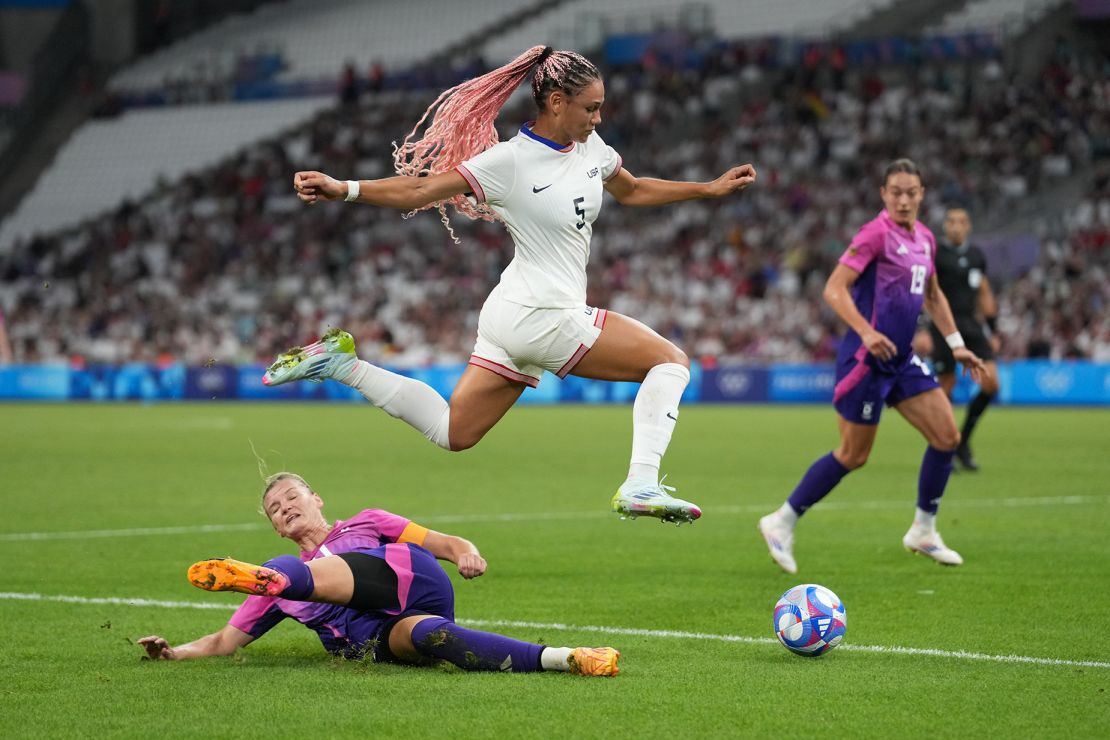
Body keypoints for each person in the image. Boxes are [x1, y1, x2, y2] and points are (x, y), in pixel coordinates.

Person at [263, 45, 757, 524]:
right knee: (671, 362)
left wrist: (706, 189)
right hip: (544, 314)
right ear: (557, 103)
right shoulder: (510, 162)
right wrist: (343, 188)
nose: (598, 119)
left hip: (512, 313)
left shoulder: (592, 148)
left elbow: (631, 188)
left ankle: (342, 364)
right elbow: (420, 189)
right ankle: (641, 482)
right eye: (592, 108)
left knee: (453, 431)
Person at [137, 472, 619, 676]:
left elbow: (443, 544)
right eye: (274, 510)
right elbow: (224, 642)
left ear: (317, 499)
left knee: (308, 574)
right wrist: (173, 653)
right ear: (275, 528)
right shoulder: (276, 586)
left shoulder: (368, 522)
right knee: (433, 638)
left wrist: (467, 552)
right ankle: (568, 658)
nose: (284, 509)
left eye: (292, 498)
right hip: (380, 632)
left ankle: (290, 579)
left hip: (414, 582)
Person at [757, 159, 985, 573]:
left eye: (910, 192)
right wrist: (865, 332)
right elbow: (834, 289)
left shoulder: (926, 240)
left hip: (901, 358)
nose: (903, 199)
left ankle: (924, 530)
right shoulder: (875, 234)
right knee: (853, 454)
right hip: (866, 360)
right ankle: (781, 521)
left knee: (947, 435)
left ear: (921, 195)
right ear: (883, 194)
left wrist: (957, 344)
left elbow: (933, 296)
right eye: (895, 192)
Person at [928, 207, 1000, 471]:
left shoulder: (976, 256)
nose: (956, 226)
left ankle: (963, 442)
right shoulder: (935, 255)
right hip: (943, 325)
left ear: (968, 226)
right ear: (945, 225)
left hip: (970, 324)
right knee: (945, 386)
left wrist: (993, 330)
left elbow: (983, 291)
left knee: (991, 384)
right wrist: (923, 328)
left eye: (961, 222)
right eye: (951, 221)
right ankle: (944, 447)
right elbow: (926, 293)